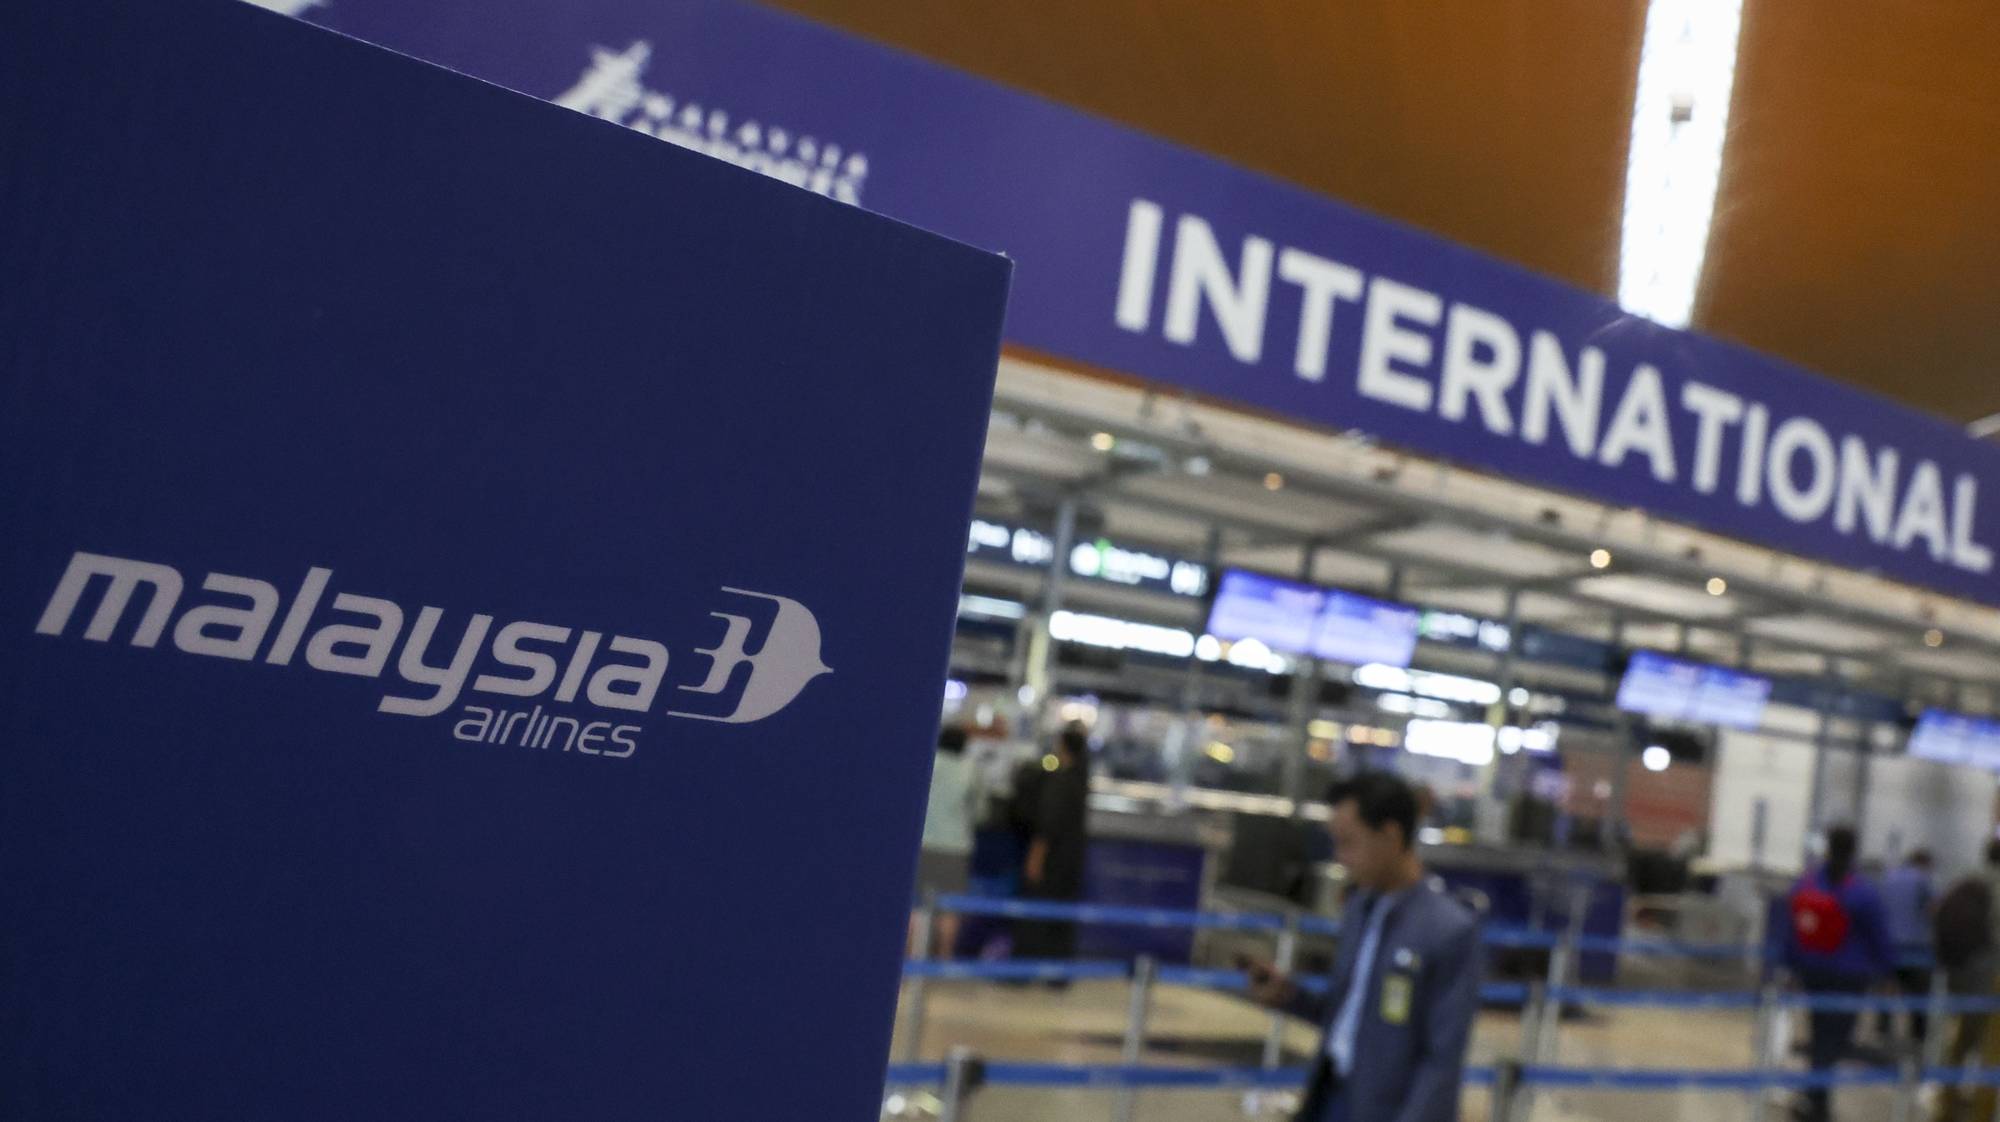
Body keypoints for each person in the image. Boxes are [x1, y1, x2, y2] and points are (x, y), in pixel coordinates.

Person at [1248, 771, 1481, 1122]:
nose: (1340, 858)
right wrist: (1291, 997)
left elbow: (1441, 1063)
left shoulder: (1448, 931)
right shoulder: (1361, 909)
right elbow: (1353, 1011)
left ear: (1390, 836)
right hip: (1333, 1095)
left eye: (1348, 843)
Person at [1782, 825, 1894, 1122]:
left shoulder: (1807, 883)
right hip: (1850, 977)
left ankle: (1814, 1098)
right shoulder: (1862, 890)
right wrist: (1886, 973)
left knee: (1820, 1034)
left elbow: (1793, 927)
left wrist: (1791, 966)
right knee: (1835, 1040)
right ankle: (1817, 1102)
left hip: (1813, 972)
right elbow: (1878, 936)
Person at [1934, 838, 2000, 1122]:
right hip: (1994, 976)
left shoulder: (1968, 879)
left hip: (1963, 974)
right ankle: (1980, 1115)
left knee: (1959, 1042)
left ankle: (1945, 1106)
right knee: (1991, 1050)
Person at [1012, 722, 1091, 960]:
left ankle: (1022, 969)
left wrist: (1035, 858)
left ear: (1062, 746)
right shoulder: (1081, 779)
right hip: (1071, 858)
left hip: (1051, 858)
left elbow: (1048, 825)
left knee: (1034, 912)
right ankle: (1057, 971)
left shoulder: (1059, 781)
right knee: (1061, 915)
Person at [910, 725, 975, 957]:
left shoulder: (929, 762)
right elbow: (979, 808)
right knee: (949, 908)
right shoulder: (970, 770)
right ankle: (944, 958)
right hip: (955, 847)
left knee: (915, 906)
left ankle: (909, 960)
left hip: (922, 842)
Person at [1878, 849, 1936, 1043]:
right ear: (1924, 863)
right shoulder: (1922, 880)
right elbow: (1933, 908)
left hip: (1888, 946)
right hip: (1915, 948)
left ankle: (1883, 1030)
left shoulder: (1889, 878)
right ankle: (1918, 1036)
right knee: (1918, 997)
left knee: (1886, 991)